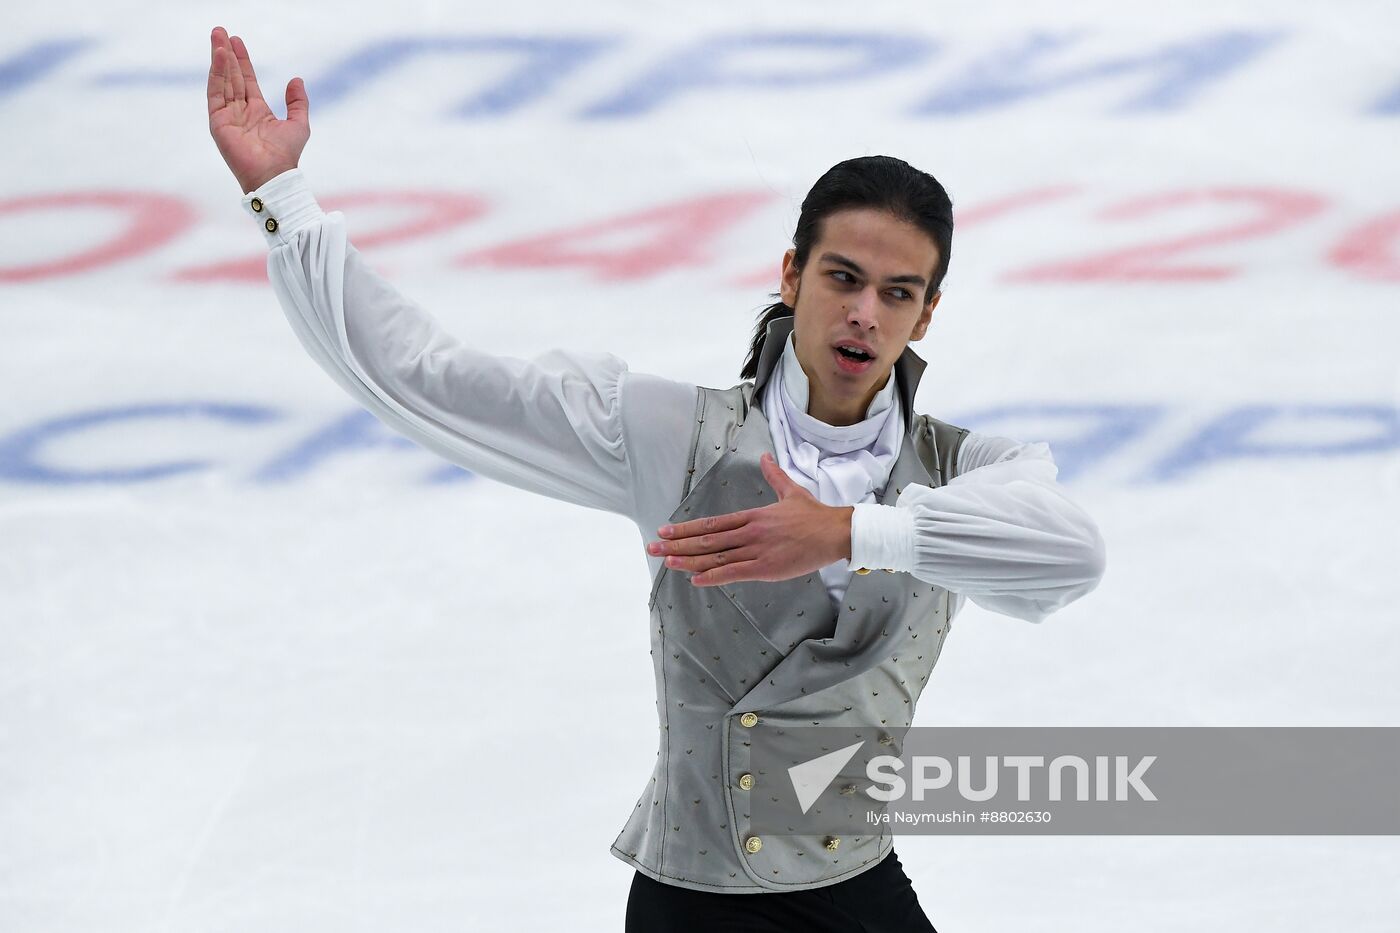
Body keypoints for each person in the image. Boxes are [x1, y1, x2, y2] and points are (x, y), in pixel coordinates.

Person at [206, 25, 1107, 932]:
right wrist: (279, 196)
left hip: (858, 894)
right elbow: (426, 381)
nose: (865, 314)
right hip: (691, 900)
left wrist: (850, 532)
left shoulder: (962, 472)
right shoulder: (673, 435)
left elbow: (1072, 561)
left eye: (898, 292)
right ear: (792, 274)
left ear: (927, 313)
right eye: (844, 277)